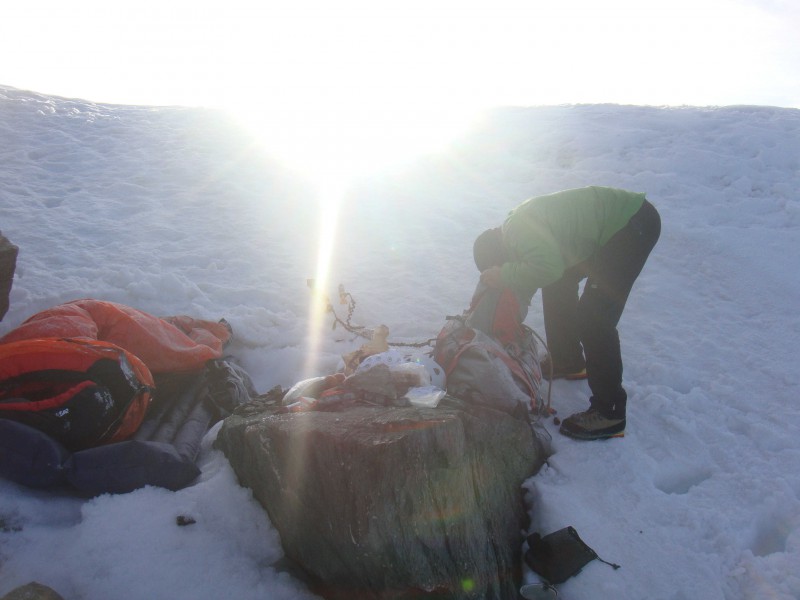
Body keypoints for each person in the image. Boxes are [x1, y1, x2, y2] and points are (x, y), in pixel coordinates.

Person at [473, 186, 661, 440]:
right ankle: (567, 360)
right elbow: (547, 270)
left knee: (594, 317)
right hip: (617, 226)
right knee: (559, 283)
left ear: (501, 255)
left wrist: (504, 274)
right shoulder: (515, 228)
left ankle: (610, 412)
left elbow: (546, 268)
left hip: (630, 227)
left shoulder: (519, 232)